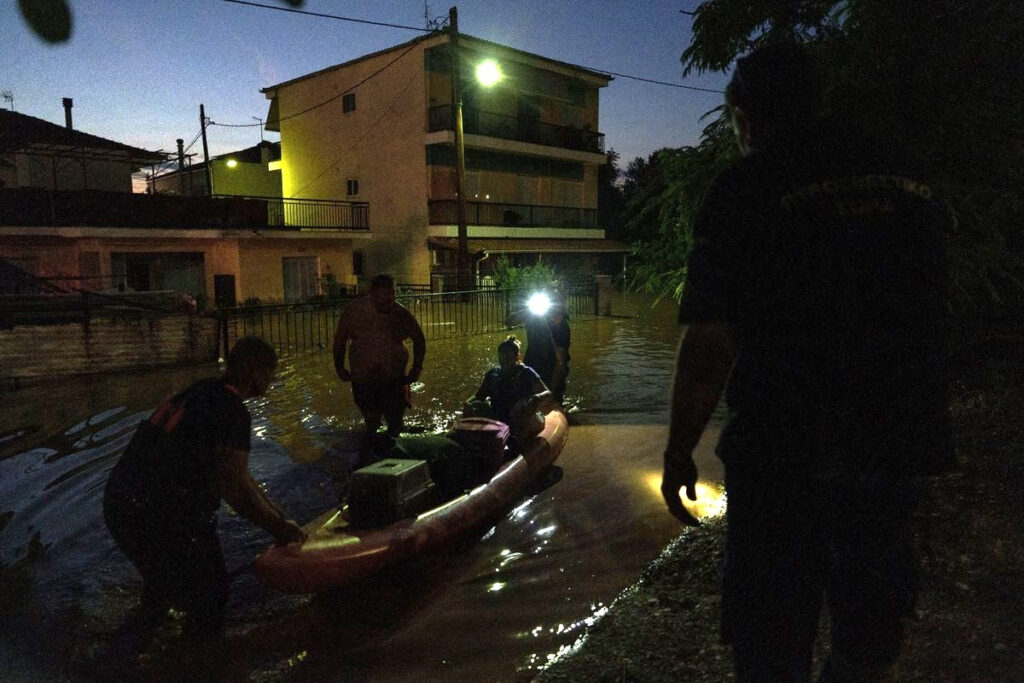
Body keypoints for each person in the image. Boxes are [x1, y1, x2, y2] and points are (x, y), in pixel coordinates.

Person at [660, 44, 954, 682]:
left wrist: (679, 449)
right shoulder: (905, 174)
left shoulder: (747, 185)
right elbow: (937, 303)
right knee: (872, 616)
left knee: (771, 626)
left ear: (743, 115)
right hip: (894, 434)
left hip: (785, 441)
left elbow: (710, 339)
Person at [103, 336, 306, 646]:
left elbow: (240, 477)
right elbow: (236, 491)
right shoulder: (232, 410)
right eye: (270, 371)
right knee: (211, 597)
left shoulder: (199, 391)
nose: (273, 379)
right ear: (253, 372)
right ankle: (199, 665)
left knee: (160, 586)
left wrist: (281, 519)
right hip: (163, 512)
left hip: (120, 503)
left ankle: (131, 658)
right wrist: (277, 527)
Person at [333, 273, 426, 438]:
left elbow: (419, 338)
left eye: (391, 294)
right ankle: (372, 451)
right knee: (371, 421)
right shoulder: (354, 312)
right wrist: (339, 367)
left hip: (393, 378)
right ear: (372, 294)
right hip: (364, 378)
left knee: (395, 421)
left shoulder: (400, 313)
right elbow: (340, 340)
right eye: (382, 296)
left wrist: (417, 367)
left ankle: (394, 452)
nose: (387, 300)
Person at [464, 335, 553, 441]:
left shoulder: (526, 372)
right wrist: (469, 403)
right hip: (500, 418)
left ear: (517, 357)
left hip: (523, 417)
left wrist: (535, 398)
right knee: (475, 406)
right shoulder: (493, 375)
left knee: (520, 408)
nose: (504, 360)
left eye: (508, 356)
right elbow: (479, 396)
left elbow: (547, 393)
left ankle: (519, 440)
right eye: (502, 356)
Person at [508, 300, 570, 403]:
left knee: (554, 402)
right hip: (533, 365)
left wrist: (553, 388)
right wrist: (527, 311)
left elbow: (561, 359)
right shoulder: (533, 317)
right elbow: (509, 321)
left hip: (551, 368)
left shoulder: (561, 326)